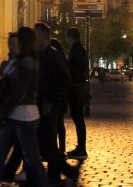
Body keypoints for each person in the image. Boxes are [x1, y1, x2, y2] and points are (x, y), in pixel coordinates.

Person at [0, 27, 48, 187]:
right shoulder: (17, 60)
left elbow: (19, 92)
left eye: (16, 40)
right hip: (13, 116)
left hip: (25, 116)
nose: (12, 43)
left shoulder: (28, 63)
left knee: (32, 159)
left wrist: (1, 110)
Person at [32, 22, 72, 184]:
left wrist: (51, 101)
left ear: (42, 37)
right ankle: (45, 176)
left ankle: (60, 174)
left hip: (48, 106)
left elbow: (64, 80)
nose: (33, 38)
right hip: (38, 105)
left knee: (47, 143)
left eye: (35, 35)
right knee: (43, 143)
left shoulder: (53, 55)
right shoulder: (39, 55)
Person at [65, 26, 89, 160]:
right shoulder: (81, 49)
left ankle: (81, 148)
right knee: (78, 119)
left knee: (78, 118)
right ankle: (80, 147)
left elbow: (76, 70)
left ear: (71, 37)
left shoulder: (76, 50)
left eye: (67, 37)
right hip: (78, 86)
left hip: (76, 88)